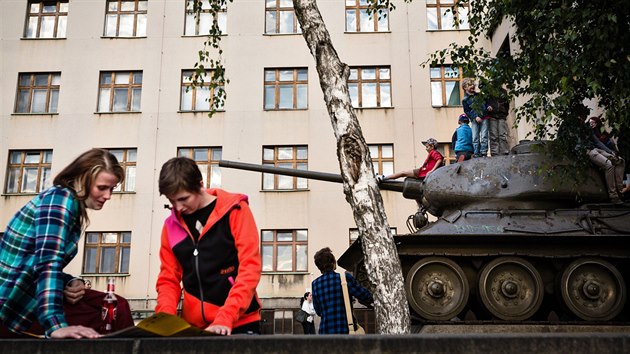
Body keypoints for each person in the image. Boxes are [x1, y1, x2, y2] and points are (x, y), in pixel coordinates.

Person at [0, 149, 133, 339]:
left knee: (115, 306)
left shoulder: (67, 203)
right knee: (110, 315)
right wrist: (55, 324)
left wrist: (69, 281)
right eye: (102, 188)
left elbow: (35, 262)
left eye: (112, 189)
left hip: (29, 290)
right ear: (82, 179)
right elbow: (47, 262)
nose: (108, 196)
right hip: (11, 303)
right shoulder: (59, 200)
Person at [155, 156, 262, 336]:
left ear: (200, 184)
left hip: (239, 322)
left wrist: (226, 316)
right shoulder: (171, 226)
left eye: (183, 199)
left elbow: (250, 269)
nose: (178, 207)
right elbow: (168, 279)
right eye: (171, 201)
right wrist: (164, 319)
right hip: (195, 327)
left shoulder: (235, 211)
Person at [311, 247, 373, 334]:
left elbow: (318, 311)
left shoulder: (315, 284)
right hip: (344, 331)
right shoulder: (344, 278)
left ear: (319, 267)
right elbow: (365, 296)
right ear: (333, 262)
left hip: (325, 332)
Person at [583, 116, 626, 204]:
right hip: (590, 150)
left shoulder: (599, 132)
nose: (591, 124)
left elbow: (599, 143)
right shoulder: (582, 128)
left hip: (599, 149)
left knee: (620, 161)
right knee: (609, 164)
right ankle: (613, 195)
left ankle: (620, 191)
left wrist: (612, 152)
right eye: (590, 122)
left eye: (594, 122)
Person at [462, 78, 490, 157]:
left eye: (473, 84)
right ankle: (476, 152)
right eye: (470, 85)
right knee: (475, 137)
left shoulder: (479, 95)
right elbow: (467, 111)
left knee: (484, 135)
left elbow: (485, 103)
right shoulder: (465, 100)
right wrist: (474, 117)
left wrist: (488, 107)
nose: (472, 86)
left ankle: (484, 151)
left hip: (484, 117)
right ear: (465, 87)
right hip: (475, 120)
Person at [486, 87, 510, 156]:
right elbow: (486, 102)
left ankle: (504, 151)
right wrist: (488, 107)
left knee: (502, 134)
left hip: (501, 116)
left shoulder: (504, 92)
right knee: (493, 135)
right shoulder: (489, 91)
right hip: (492, 116)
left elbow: (506, 104)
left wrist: (505, 113)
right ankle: (494, 153)